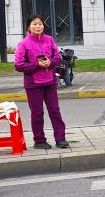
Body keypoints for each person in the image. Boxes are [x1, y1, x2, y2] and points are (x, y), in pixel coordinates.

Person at [14, 15, 69, 149]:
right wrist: (37, 64)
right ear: (29, 26)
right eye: (34, 24)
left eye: (40, 24)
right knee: (37, 114)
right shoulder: (23, 43)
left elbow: (58, 58)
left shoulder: (49, 40)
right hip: (33, 84)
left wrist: (50, 62)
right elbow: (18, 65)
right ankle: (39, 141)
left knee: (55, 111)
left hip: (50, 82)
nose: (38, 26)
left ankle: (60, 139)